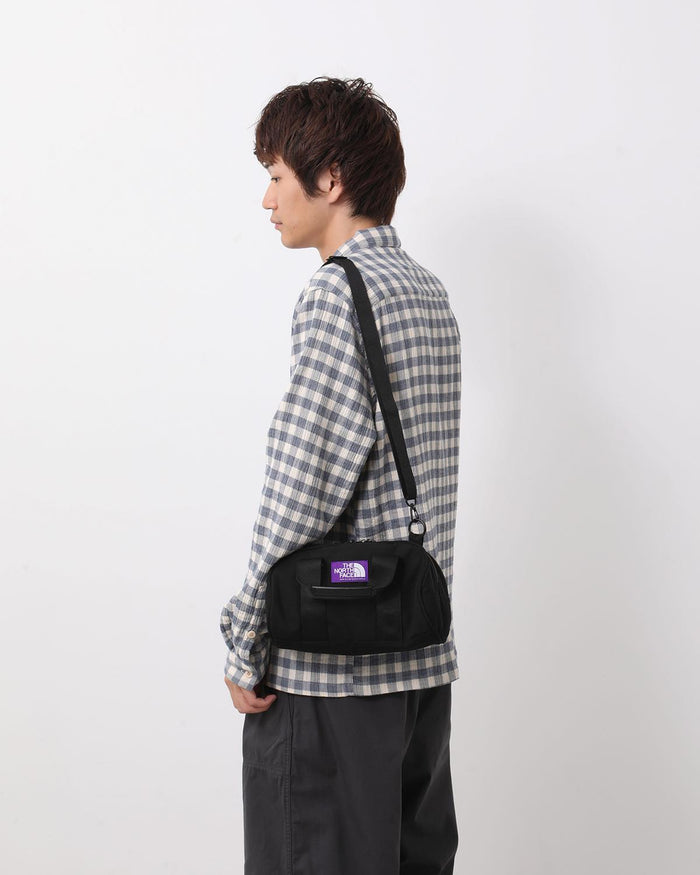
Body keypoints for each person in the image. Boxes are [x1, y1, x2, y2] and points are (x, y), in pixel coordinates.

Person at [220, 76, 462, 875]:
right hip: (419, 666)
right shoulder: (426, 292)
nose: (267, 199)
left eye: (276, 176)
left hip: (330, 681)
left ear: (330, 179)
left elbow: (301, 487)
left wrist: (246, 636)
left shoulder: (337, 295)